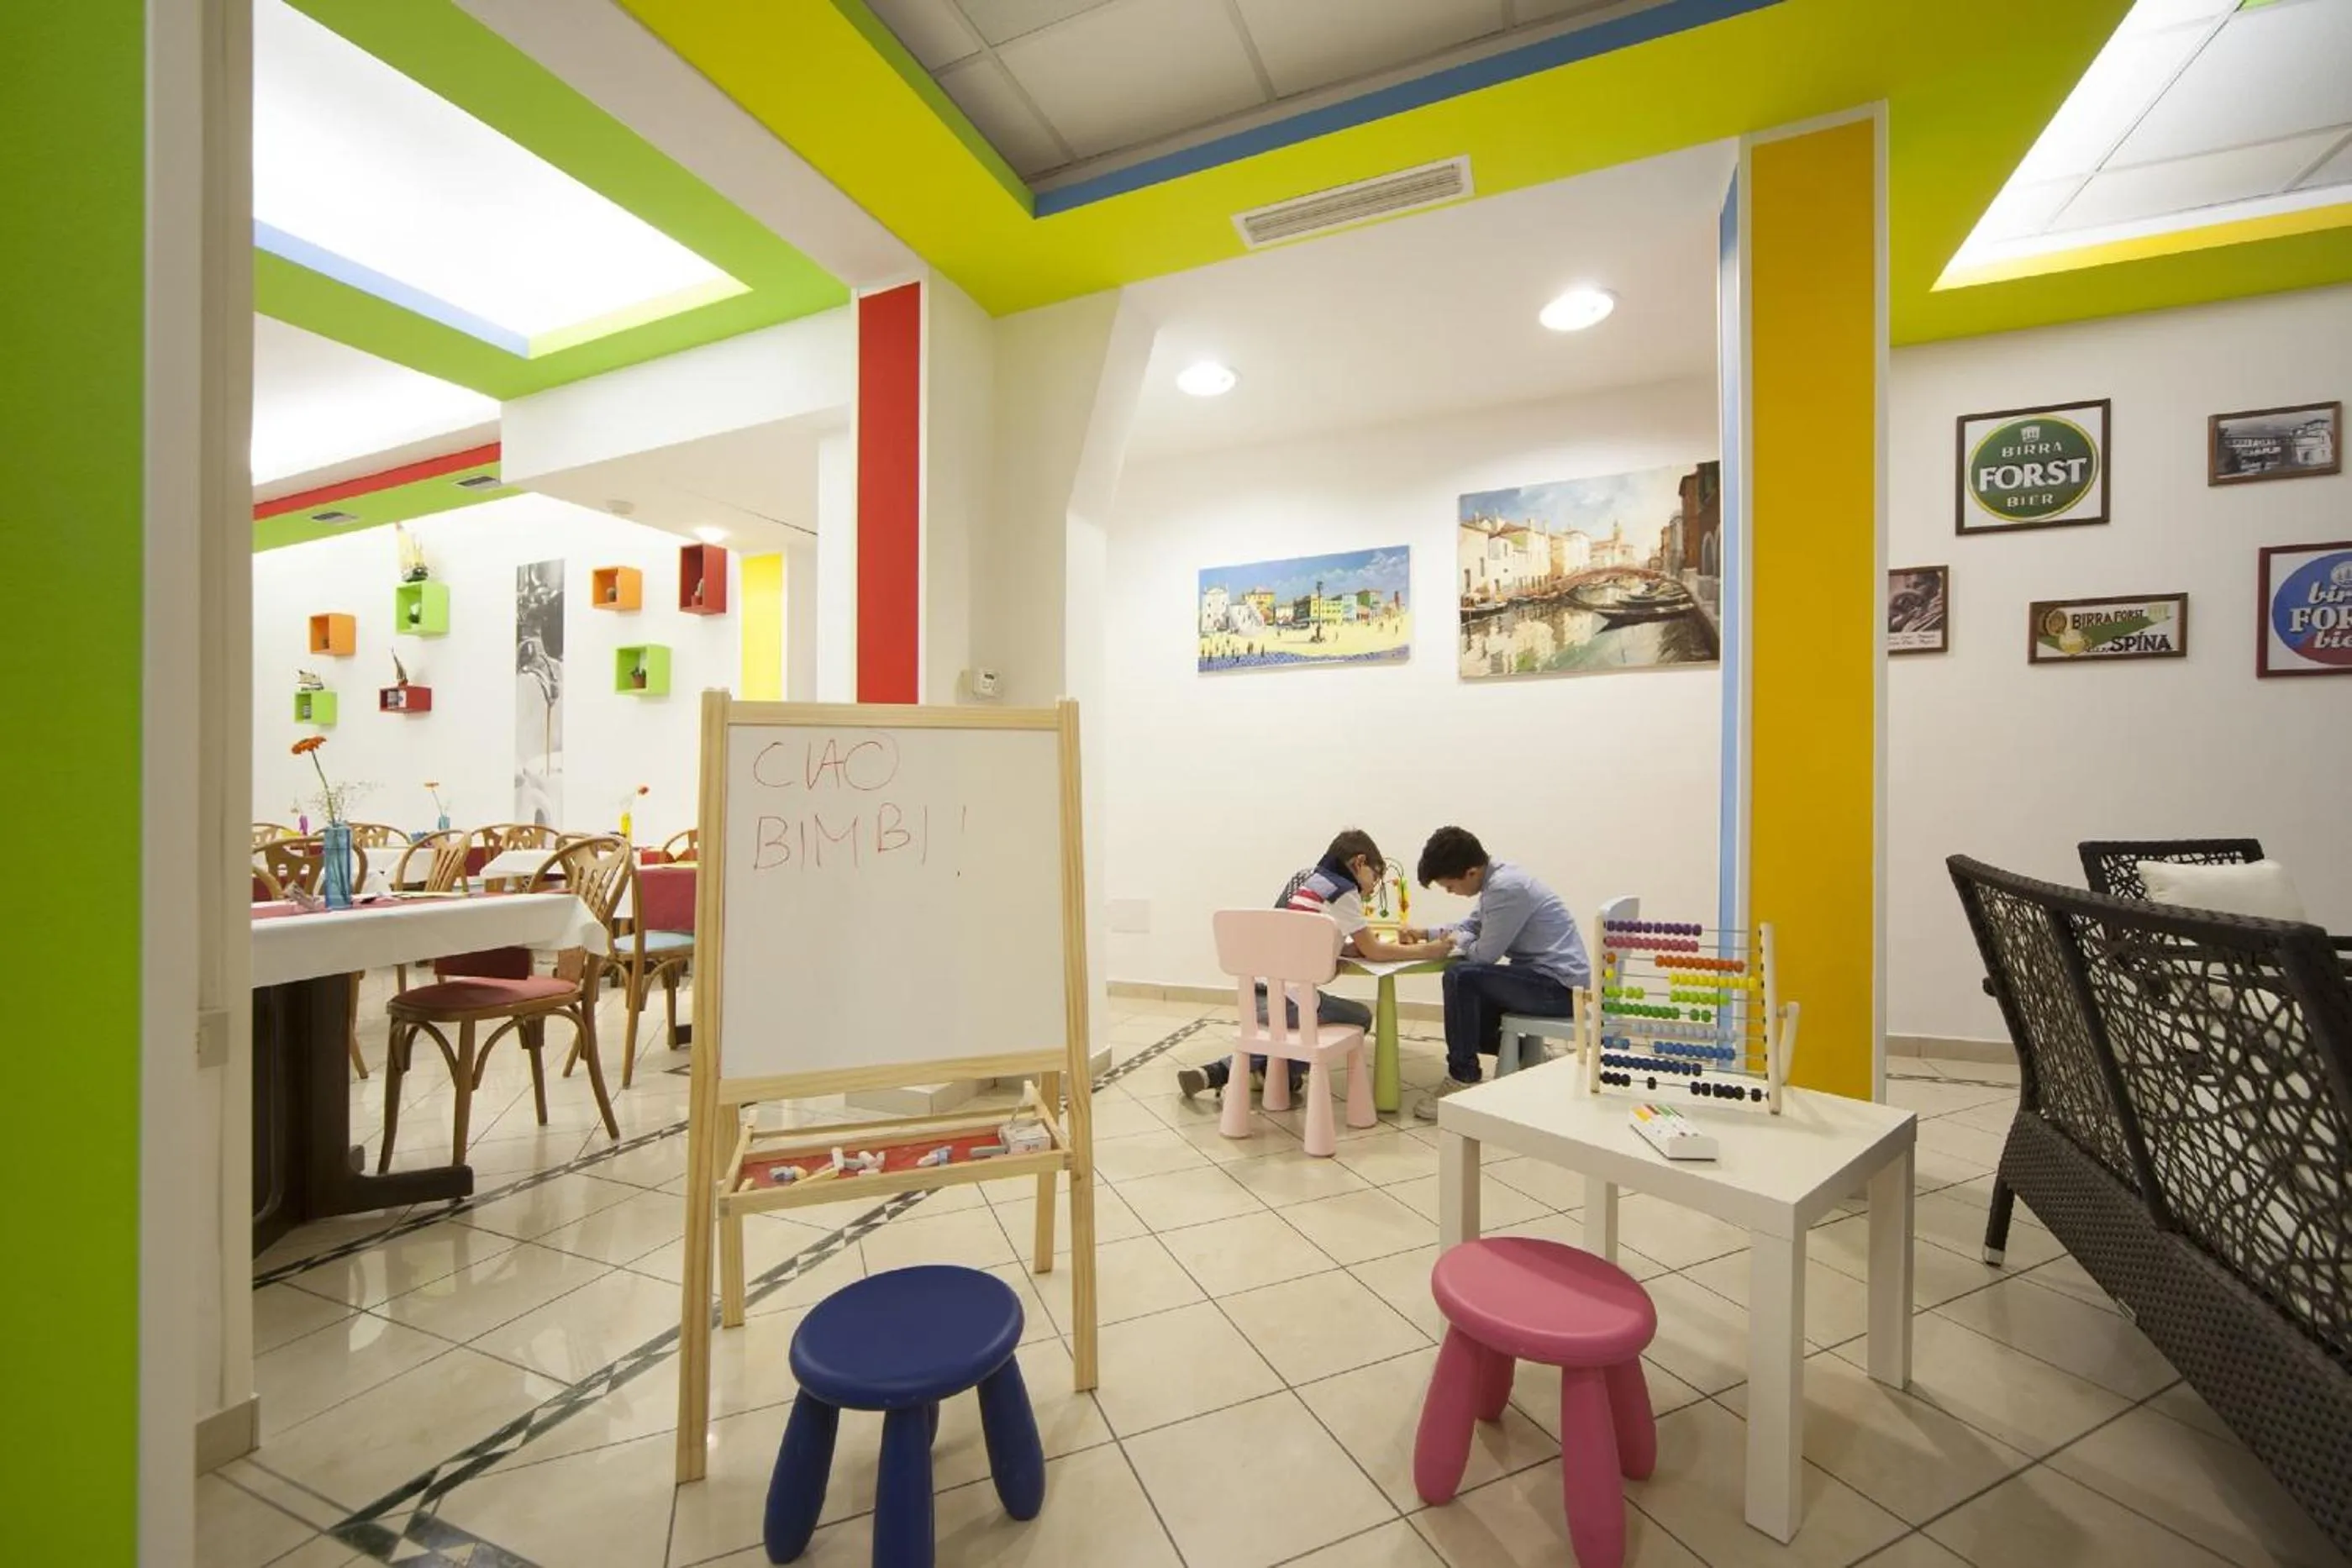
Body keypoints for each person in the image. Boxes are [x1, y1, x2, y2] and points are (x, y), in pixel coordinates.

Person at [1179, 829, 1450, 1101]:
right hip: (1289, 1001)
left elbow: (1307, 939)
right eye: (1376, 876)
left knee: (1283, 1033)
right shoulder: (1344, 891)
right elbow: (1375, 951)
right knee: (1361, 1016)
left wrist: (1343, 949)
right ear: (1359, 863)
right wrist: (1427, 949)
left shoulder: (1311, 883)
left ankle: (1219, 1072)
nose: (1372, 888)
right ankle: (1284, 1075)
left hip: (1257, 996)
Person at [1402, 826, 1589, 1119]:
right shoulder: (1497, 881)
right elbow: (1471, 926)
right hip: (1547, 982)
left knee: (1460, 976)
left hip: (1560, 990)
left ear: (1471, 872)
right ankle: (1531, 1053)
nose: (1452, 893)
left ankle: (1462, 1078)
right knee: (1468, 1013)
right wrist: (1425, 932)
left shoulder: (1507, 888)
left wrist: (1456, 940)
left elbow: (1484, 955)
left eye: (1450, 887)